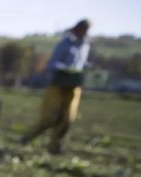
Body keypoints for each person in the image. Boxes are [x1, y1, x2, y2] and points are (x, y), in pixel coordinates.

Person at [22, 19, 91, 154]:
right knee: (50, 118)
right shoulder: (65, 44)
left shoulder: (85, 45)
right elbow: (52, 63)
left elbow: (82, 63)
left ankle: (55, 148)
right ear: (77, 29)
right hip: (58, 85)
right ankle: (26, 139)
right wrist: (65, 69)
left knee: (67, 119)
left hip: (74, 86)